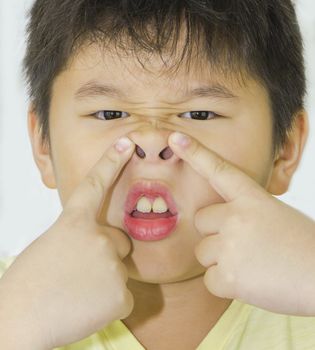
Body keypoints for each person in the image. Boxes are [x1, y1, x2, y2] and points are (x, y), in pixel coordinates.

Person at [0, 0, 315, 349]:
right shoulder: (9, 303)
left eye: (200, 114)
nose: (151, 140)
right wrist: (13, 327)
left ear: (284, 148)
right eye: (109, 113)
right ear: (43, 143)